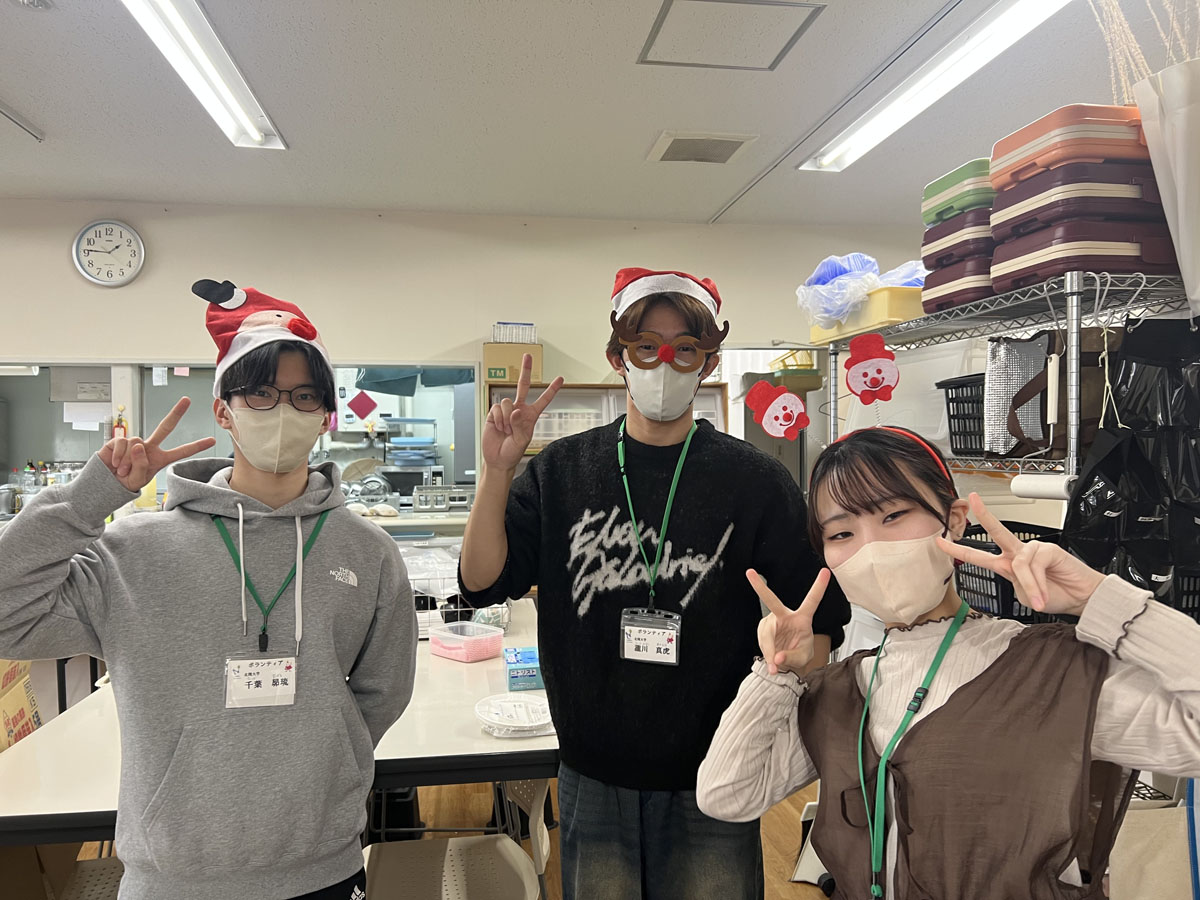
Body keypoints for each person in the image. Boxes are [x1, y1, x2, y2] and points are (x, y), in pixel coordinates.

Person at [0, 279, 417, 900]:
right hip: (174, 877)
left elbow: (384, 690)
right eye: (261, 393)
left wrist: (323, 755)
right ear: (224, 410)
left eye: (305, 396)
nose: (283, 411)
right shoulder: (133, 550)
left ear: (325, 416)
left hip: (323, 865)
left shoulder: (367, 550)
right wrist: (90, 498)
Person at [458, 267, 849, 899]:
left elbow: (818, 624)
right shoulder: (560, 471)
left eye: (684, 349)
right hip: (593, 768)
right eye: (646, 347)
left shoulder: (755, 481)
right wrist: (497, 472)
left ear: (707, 362)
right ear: (619, 357)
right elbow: (481, 581)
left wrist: (797, 669)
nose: (664, 364)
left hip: (715, 769)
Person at [697, 425, 1200, 898]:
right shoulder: (837, 693)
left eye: (893, 516)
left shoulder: (1050, 673)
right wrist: (777, 674)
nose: (871, 549)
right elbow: (727, 795)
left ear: (954, 520)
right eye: (841, 534)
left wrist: (1098, 599)